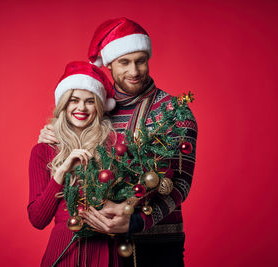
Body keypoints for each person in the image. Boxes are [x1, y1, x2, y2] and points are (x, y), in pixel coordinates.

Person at [39, 18, 198, 267]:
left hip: (159, 245)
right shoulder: (94, 110)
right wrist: (52, 136)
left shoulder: (174, 112)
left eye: (140, 61)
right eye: (124, 62)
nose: (134, 71)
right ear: (109, 64)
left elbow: (181, 183)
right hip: (103, 246)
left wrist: (136, 220)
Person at [27, 61, 121, 267]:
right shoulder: (43, 151)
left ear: (99, 105)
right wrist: (62, 171)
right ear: (64, 104)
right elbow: (37, 219)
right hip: (63, 253)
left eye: (89, 101)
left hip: (106, 252)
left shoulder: (115, 146)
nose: (81, 107)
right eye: (74, 100)